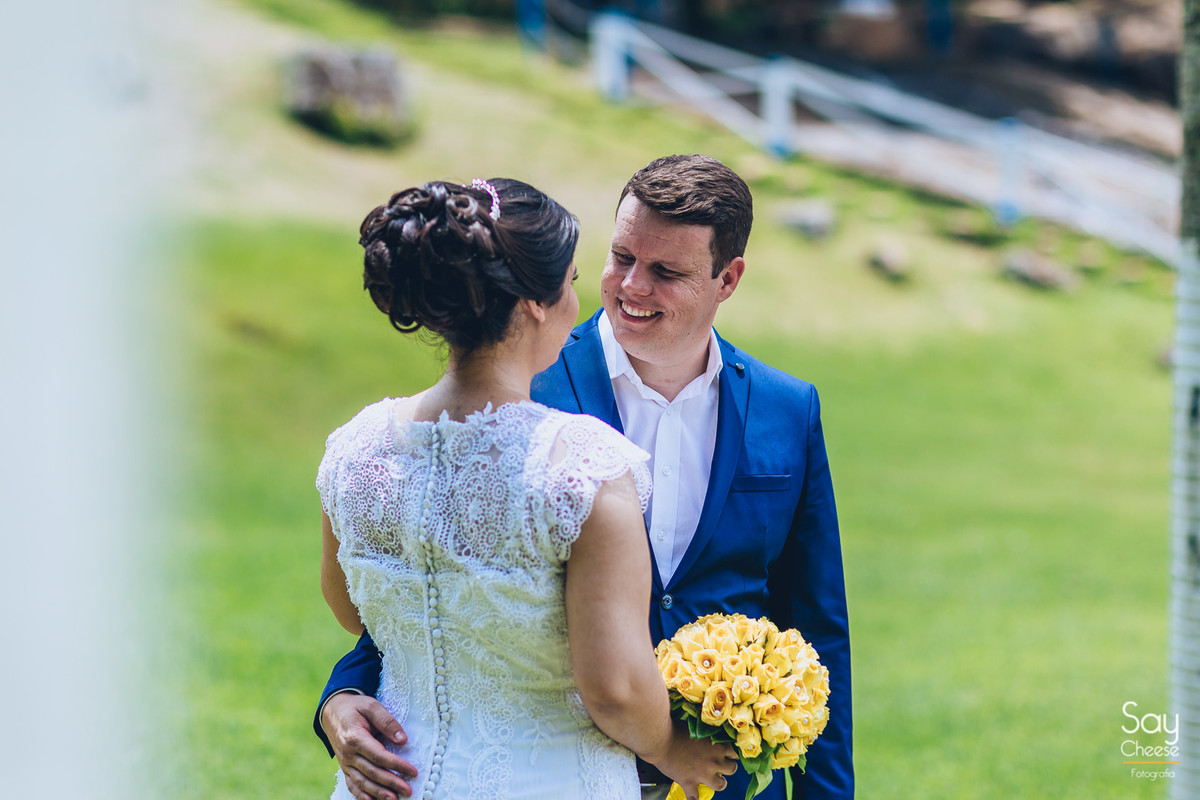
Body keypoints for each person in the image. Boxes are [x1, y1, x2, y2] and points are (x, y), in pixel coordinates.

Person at [317, 156, 854, 799]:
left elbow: (817, 623)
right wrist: (341, 695)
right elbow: (431, 577)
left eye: (666, 272)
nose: (631, 286)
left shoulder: (787, 409)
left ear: (727, 278)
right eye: (620, 257)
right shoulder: (517, 399)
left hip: (721, 779)